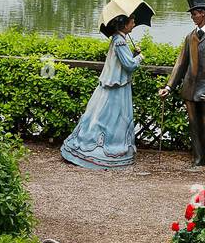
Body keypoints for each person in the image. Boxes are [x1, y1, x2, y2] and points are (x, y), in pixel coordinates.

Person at [60, 15, 143, 169]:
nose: (134, 23)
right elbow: (129, 65)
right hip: (116, 87)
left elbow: (123, 61)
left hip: (117, 85)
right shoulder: (119, 41)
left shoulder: (119, 40)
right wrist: (139, 58)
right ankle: (103, 151)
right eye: (132, 21)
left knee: (106, 115)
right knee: (112, 116)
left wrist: (133, 54)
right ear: (124, 25)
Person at [158, 0, 205, 169]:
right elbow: (181, 64)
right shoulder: (190, 37)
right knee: (194, 126)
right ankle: (198, 160)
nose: (192, 17)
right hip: (189, 89)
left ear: (202, 13)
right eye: (191, 14)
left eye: (193, 14)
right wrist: (169, 86)